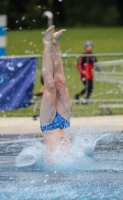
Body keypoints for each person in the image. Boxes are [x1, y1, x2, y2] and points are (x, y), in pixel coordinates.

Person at [40, 25, 71, 161]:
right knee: (59, 84)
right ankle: (52, 43)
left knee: (52, 86)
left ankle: (50, 43)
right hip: (63, 123)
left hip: (49, 124)